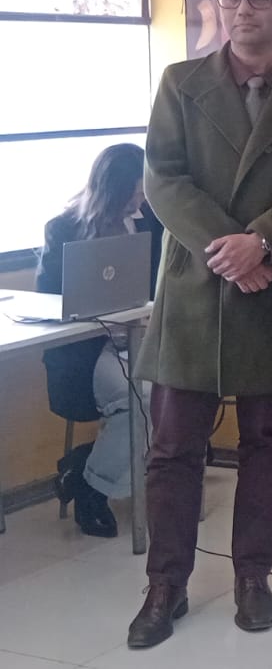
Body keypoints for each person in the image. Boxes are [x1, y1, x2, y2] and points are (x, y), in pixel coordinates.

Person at [130, 0, 272, 648]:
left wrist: (262, 243)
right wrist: (228, 247)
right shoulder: (180, 84)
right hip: (197, 286)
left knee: (267, 442)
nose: (243, 10)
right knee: (171, 448)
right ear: (217, 6)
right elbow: (163, 180)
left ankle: (253, 576)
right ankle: (165, 585)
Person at [36, 143, 164, 539]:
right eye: (137, 190)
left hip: (135, 337)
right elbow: (48, 299)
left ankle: (82, 468)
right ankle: (93, 489)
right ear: (115, 188)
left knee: (177, 390)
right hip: (86, 350)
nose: (142, 199)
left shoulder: (150, 223)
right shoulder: (64, 229)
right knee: (140, 398)